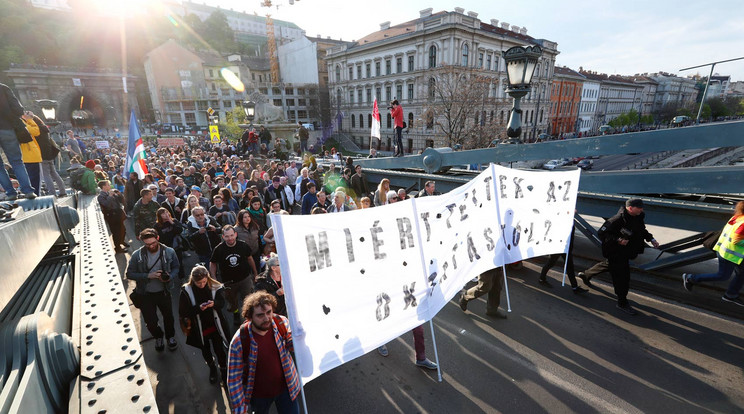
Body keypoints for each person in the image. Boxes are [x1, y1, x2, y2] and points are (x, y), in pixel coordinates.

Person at [227, 291, 301, 414]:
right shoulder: (239, 341)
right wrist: (241, 410)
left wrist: (299, 337)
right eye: (260, 315)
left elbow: (292, 345)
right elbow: (234, 379)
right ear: (249, 317)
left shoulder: (281, 322)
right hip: (259, 397)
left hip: (286, 389)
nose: (267, 318)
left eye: (269, 312)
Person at [585, 198, 659, 315]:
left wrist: (651, 239)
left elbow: (641, 230)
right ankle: (622, 302)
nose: (641, 209)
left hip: (627, 251)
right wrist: (617, 239)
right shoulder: (617, 220)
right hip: (615, 251)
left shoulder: (638, 216)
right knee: (622, 278)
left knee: (609, 265)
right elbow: (602, 233)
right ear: (630, 208)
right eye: (639, 207)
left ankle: (585, 275)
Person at [125, 228, 180, 352]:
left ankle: (170, 337)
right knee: (150, 322)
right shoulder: (137, 255)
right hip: (145, 294)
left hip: (164, 291)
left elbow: (176, 267)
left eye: (153, 243)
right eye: (147, 244)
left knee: (168, 317)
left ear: (158, 238)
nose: (151, 246)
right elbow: (129, 274)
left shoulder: (169, 252)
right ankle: (158, 336)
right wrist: (147, 276)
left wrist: (169, 277)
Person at [683, 201, 744, 306]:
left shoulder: (737, 217)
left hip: (727, 251)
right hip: (729, 255)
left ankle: (730, 295)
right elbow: (736, 240)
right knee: (722, 276)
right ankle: (690, 278)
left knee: (742, 273)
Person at [179, 265, 231, 384]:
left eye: (204, 282)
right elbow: (184, 312)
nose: (202, 285)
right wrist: (198, 308)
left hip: (215, 324)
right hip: (199, 327)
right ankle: (212, 368)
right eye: (199, 283)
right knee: (205, 350)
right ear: (193, 280)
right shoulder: (186, 291)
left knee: (220, 350)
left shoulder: (215, 287)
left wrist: (214, 304)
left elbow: (222, 303)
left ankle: (223, 371)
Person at [210, 224, 257, 326]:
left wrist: (255, 273)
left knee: (249, 299)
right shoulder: (219, 249)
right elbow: (212, 263)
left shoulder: (243, 245)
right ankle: (236, 315)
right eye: (227, 236)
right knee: (232, 301)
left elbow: (250, 259)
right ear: (223, 237)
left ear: (235, 234)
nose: (230, 238)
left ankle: (250, 316)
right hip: (228, 282)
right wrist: (214, 278)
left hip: (245, 279)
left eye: (231, 235)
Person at [538, 225, 589, 293]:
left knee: (569, 266)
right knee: (551, 263)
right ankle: (541, 279)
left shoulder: (570, 219)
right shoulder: (563, 220)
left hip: (565, 248)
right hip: (559, 246)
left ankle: (575, 287)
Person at [31, 113, 66, 197]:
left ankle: (52, 193)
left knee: (46, 175)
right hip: (49, 154)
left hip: (42, 155)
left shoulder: (36, 130)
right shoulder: (45, 129)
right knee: (54, 173)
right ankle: (62, 191)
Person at [97, 180, 128, 253]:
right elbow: (106, 205)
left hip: (118, 214)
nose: (109, 186)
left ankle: (121, 241)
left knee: (123, 230)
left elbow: (121, 201)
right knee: (116, 232)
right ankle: (118, 248)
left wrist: (119, 194)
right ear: (103, 186)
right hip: (111, 216)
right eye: (108, 185)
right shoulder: (101, 196)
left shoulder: (110, 192)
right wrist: (110, 196)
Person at [154, 207, 185, 279]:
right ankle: (169, 278)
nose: (166, 215)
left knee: (179, 262)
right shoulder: (157, 226)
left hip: (176, 246)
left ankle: (182, 278)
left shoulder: (174, 221)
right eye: (163, 214)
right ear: (159, 216)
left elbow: (180, 230)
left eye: (166, 212)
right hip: (165, 247)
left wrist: (171, 222)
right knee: (167, 263)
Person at [19, 111, 43, 196]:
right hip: (30, 155)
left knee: (30, 179)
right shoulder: (20, 121)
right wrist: (30, 119)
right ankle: (36, 198)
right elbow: (36, 131)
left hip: (25, 156)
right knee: (35, 181)